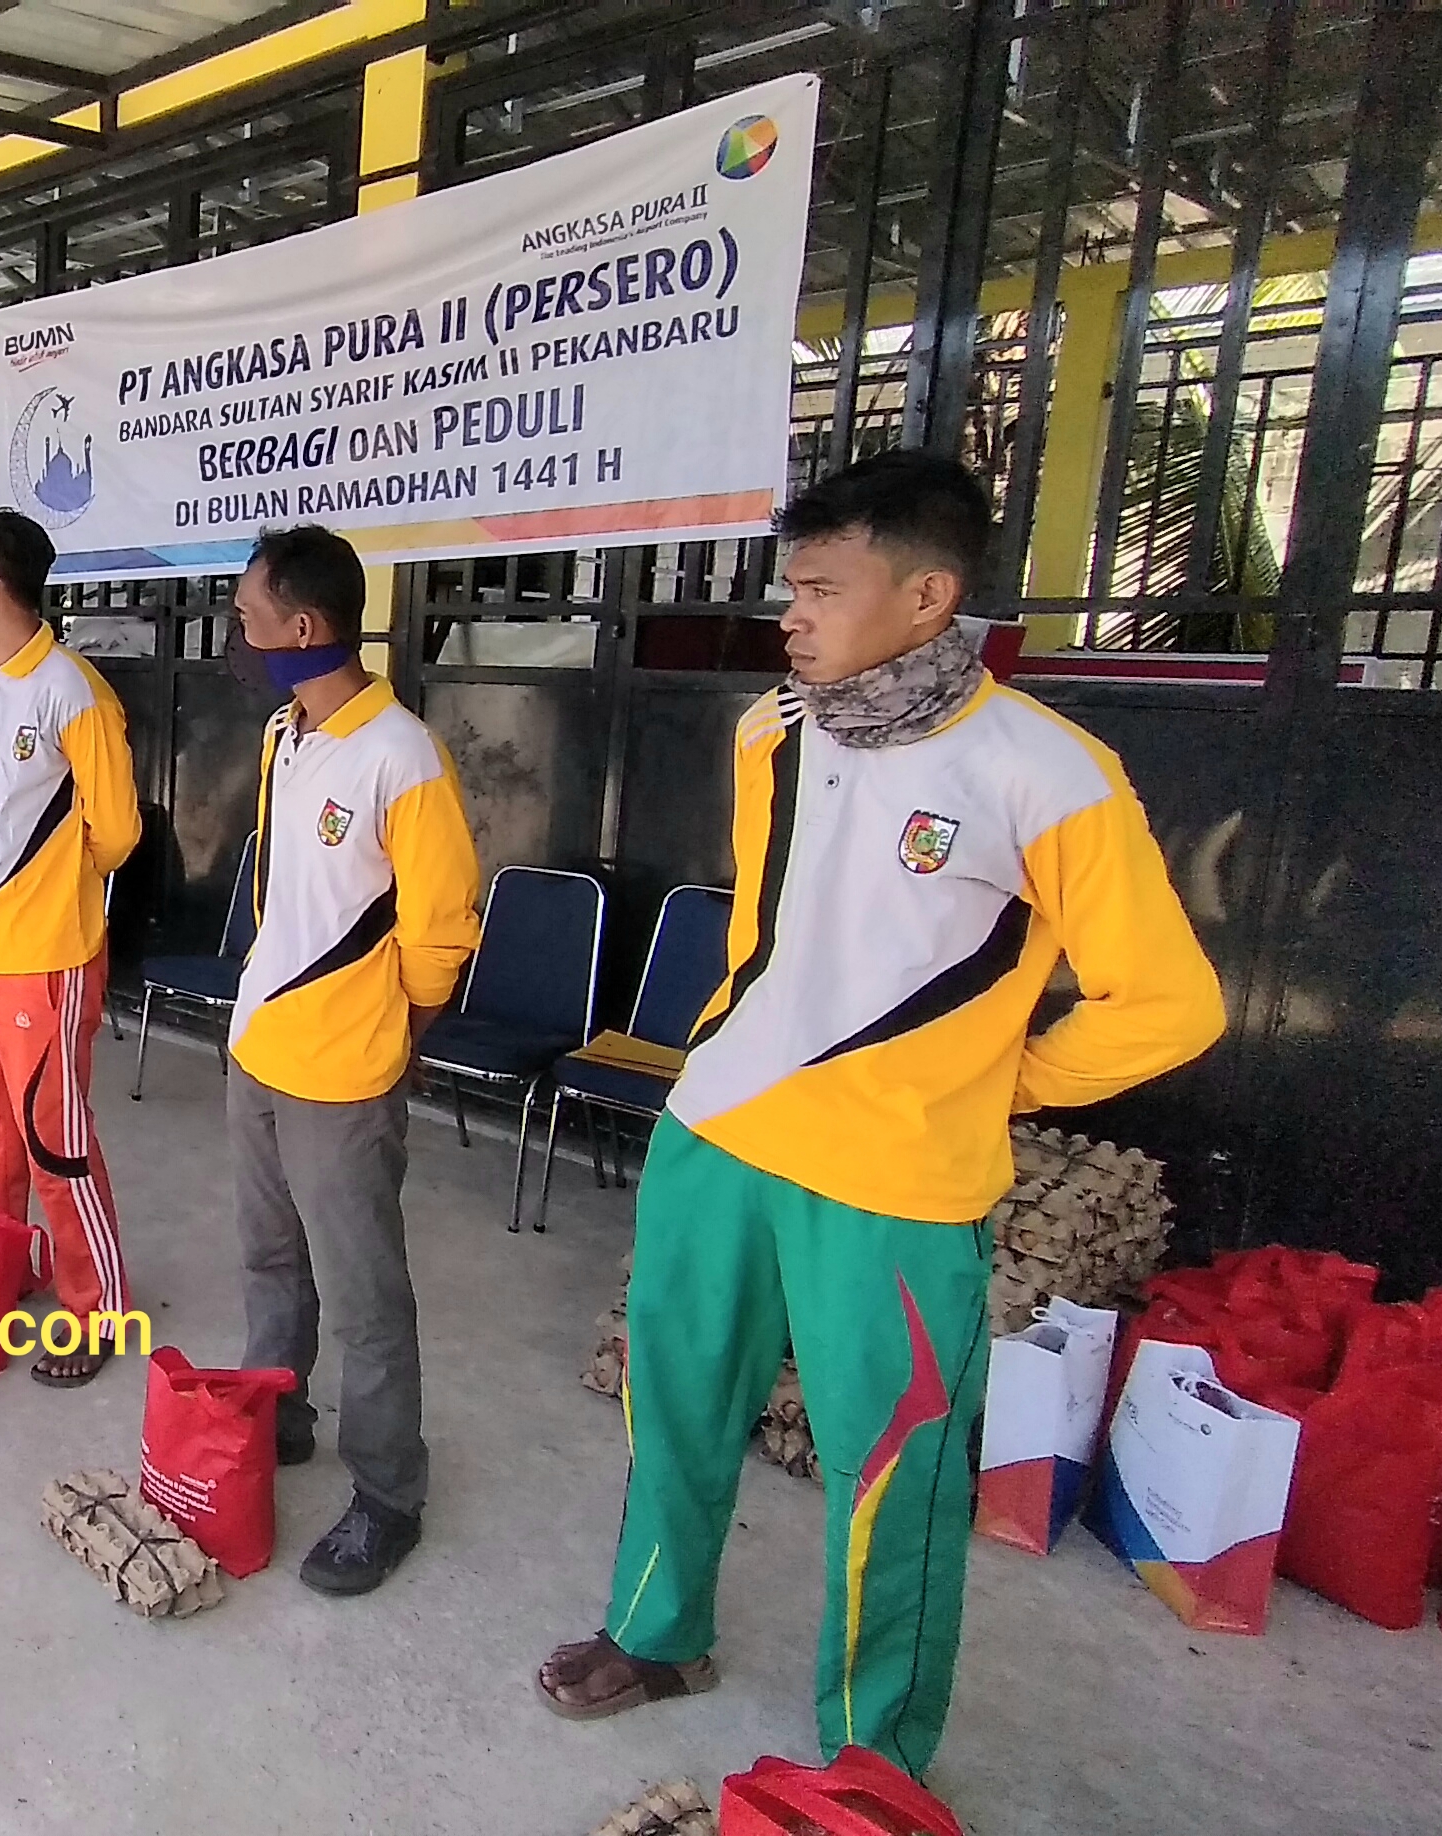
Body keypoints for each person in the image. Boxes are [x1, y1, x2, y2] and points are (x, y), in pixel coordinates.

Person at [533, 452, 1225, 1776]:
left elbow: (1168, 1004)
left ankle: (875, 1752)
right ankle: (658, 1632)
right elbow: (775, 938)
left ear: (927, 596)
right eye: (789, 588)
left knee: (896, 1472)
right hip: (719, 1136)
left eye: (819, 590)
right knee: (673, 1406)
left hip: (894, 1186)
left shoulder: (1049, 773)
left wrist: (1002, 1078)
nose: (787, 618)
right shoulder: (773, 731)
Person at [222, 526, 481, 1595]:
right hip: (260, 1047)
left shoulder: (401, 755)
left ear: (302, 627)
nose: (236, 633)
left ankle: (386, 1495)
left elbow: (441, 931)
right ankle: (277, 1415)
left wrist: (392, 1035)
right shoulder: (285, 733)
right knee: (268, 1259)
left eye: (248, 617)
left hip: (344, 1072)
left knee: (363, 1292)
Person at [0, 508, 140, 1386]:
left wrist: (48, 887)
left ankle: (96, 1306)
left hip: (44, 957)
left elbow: (117, 831)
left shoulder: (73, 690)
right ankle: (8, 1264)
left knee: (54, 1138)